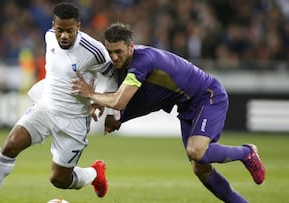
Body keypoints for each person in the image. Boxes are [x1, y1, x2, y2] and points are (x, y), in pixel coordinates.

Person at [72, 22, 265, 203]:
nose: (114, 57)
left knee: (196, 151)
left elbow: (119, 100)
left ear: (131, 47)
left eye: (118, 51)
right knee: (200, 168)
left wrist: (92, 95)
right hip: (187, 106)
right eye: (110, 52)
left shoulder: (142, 61)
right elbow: (145, 101)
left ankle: (246, 152)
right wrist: (115, 113)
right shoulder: (125, 65)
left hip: (208, 96)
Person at [0, 3, 113, 203]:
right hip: (45, 108)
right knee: (10, 146)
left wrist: (104, 103)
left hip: (73, 120)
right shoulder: (49, 36)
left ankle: (95, 173)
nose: (64, 36)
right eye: (60, 30)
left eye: (70, 31)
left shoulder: (94, 50)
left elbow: (114, 75)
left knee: (59, 180)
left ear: (78, 26)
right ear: (53, 26)